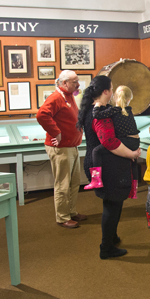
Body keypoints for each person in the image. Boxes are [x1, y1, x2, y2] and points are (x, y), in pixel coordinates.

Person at [76, 75, 141, 259]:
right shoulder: (99, 114)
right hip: (107, 166)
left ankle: (111, 237)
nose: (112, 92)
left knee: (114, 203)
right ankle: (106, 248)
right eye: (111, 89)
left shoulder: (94, 109)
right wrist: (132, 154)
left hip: (103, 163)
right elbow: (110, 142)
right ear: (105, 92)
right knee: (112, 205)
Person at [36, 70, 87, 229]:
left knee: (74, 181)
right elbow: (42, 115)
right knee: (63, 184)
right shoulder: (56, 97)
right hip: (61, 148)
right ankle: (62, 217)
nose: (78, 84)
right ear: (64, 83)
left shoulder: (69, 96)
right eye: (74, 81)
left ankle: (71, 211)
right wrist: (56, 132)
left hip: (71, 146)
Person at [84, 85, 140, 200]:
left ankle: (96, 180)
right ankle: (134, 189)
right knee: (133, 163)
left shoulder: (114, 110)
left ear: (115, 97)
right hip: (135, 141)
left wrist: (98, 105)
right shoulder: (129, 110)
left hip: (126, 140)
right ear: (129, 99)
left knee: (96, 151)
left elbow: (97, 115)